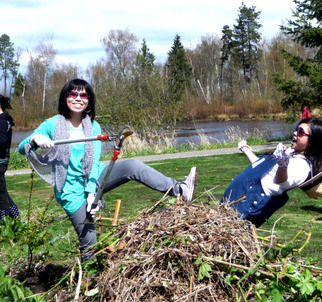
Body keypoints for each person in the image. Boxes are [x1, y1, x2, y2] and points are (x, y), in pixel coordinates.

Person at [18, 79, 198, 261]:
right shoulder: (52, 124)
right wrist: (35, 140)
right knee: (89, 241)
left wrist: (91, 194)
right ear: (65, 97)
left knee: (133, 165)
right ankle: (89, 284)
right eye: (73, 94)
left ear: (89, 100)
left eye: (83, 95)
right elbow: (20, 148)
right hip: (70, 191)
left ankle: (180, 190)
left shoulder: (93, 126)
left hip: (94, 177)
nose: (78, 98)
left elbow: (94, 162)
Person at [221, 117, 322, 227]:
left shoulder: (303, 166)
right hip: (233, 203)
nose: (295, 133)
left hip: (244, 209)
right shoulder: (290, 154)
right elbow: (259, 166)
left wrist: (283, 164)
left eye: (300, 132)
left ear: (313, 141)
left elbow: (281, 181)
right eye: (297, 128)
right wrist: (245, 149)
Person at [0, 94, 20, 222]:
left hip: (0, 162)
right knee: (3, 192)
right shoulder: (4, 120)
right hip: (2, 161)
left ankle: (3, 222)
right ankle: (16, 219)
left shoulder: (1, 121)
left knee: (1, 195)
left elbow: (1, 142)